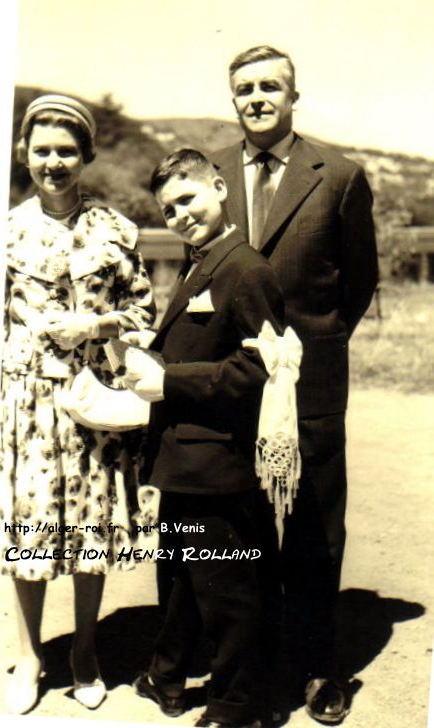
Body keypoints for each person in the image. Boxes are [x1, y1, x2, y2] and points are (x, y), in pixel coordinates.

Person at [212, 46, 379, 724]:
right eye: (245, 88)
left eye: (270, 86)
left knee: (311, 521)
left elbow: (359, 282)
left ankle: (315, 667)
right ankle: (245, 669)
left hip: (311, 378)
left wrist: (312, 346)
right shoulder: (213, 171)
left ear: (293, 96)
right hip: (232, 378)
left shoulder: (338, 175)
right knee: (237, 520)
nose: (257, 97)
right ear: (233, 99)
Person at [0, 94, 155, 714]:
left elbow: (142, 313)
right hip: (28, 402)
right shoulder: (6, 230)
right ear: (23, 155)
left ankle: (85, 650)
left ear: (86, 155)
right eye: (42, 151)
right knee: (29, 530)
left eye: (67, 151)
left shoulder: (116, 231)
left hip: (95, 404)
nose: (54, 163)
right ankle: (29, 654)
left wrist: (96, 326)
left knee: (92, 526)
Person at [121, 148, 286, 728]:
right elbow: (201, 343)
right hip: (184, 458)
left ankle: (238, 704)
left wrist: (168, 379)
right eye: (168, 210)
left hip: (219, 462)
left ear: (219, 187)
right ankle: (167, 678)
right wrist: (154, 346)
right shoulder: (200, 263)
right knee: (185, 577)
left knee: (224, 590)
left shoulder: (246, 269)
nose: (181, 215)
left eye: (188, 199)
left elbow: (259, 371)